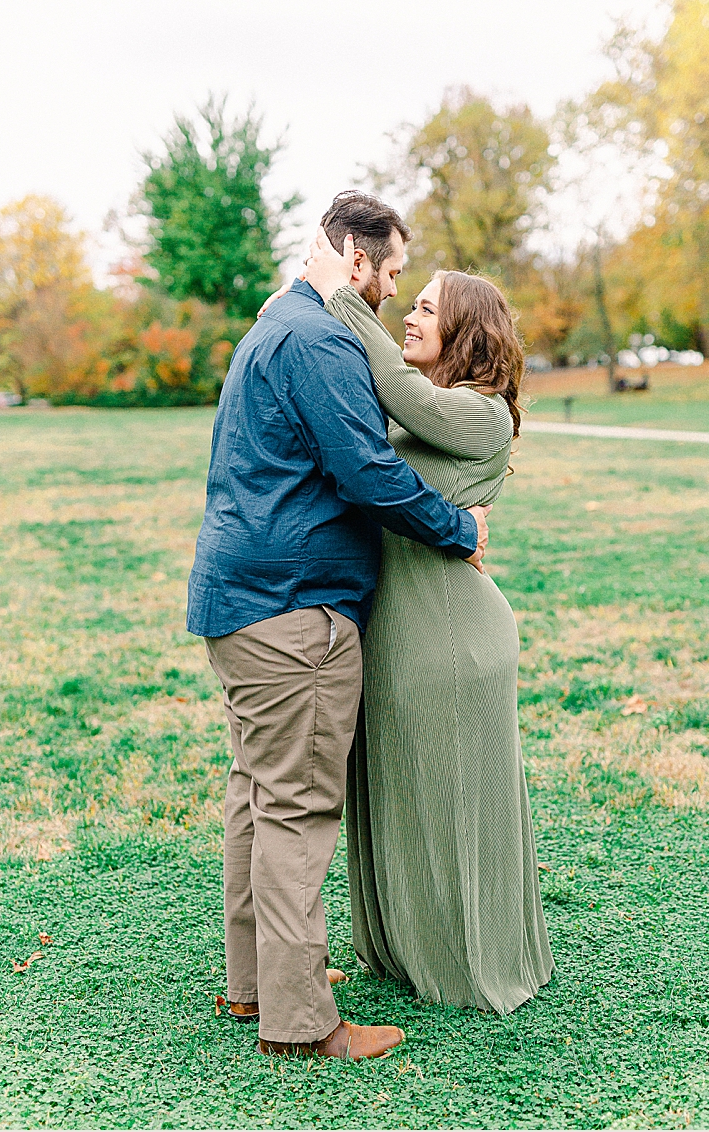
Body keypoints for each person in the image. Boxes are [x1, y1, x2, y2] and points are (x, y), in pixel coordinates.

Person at [186, 191, 490, 1060]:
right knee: (296, 809)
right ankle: (301, 1023)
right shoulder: (319, 339)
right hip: (295, 608)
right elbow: (367, 471)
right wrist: (458, 528)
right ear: (356, 260)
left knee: (257, 794)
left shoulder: (277, 323)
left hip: (241, 602)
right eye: (391, 271)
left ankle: (257, 984)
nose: (393, 289)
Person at [300, 224, 555, 1014]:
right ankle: (406, 949)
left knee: (453, 801)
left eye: (425, 308)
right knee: (403, 795)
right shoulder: (434, 414)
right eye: (406, 303)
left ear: (465, 331)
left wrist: (340, 295)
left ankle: (470, 960)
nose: (408, 316)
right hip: (401, 630)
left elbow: (396, 388)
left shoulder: (480, 414)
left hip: (450, 638)